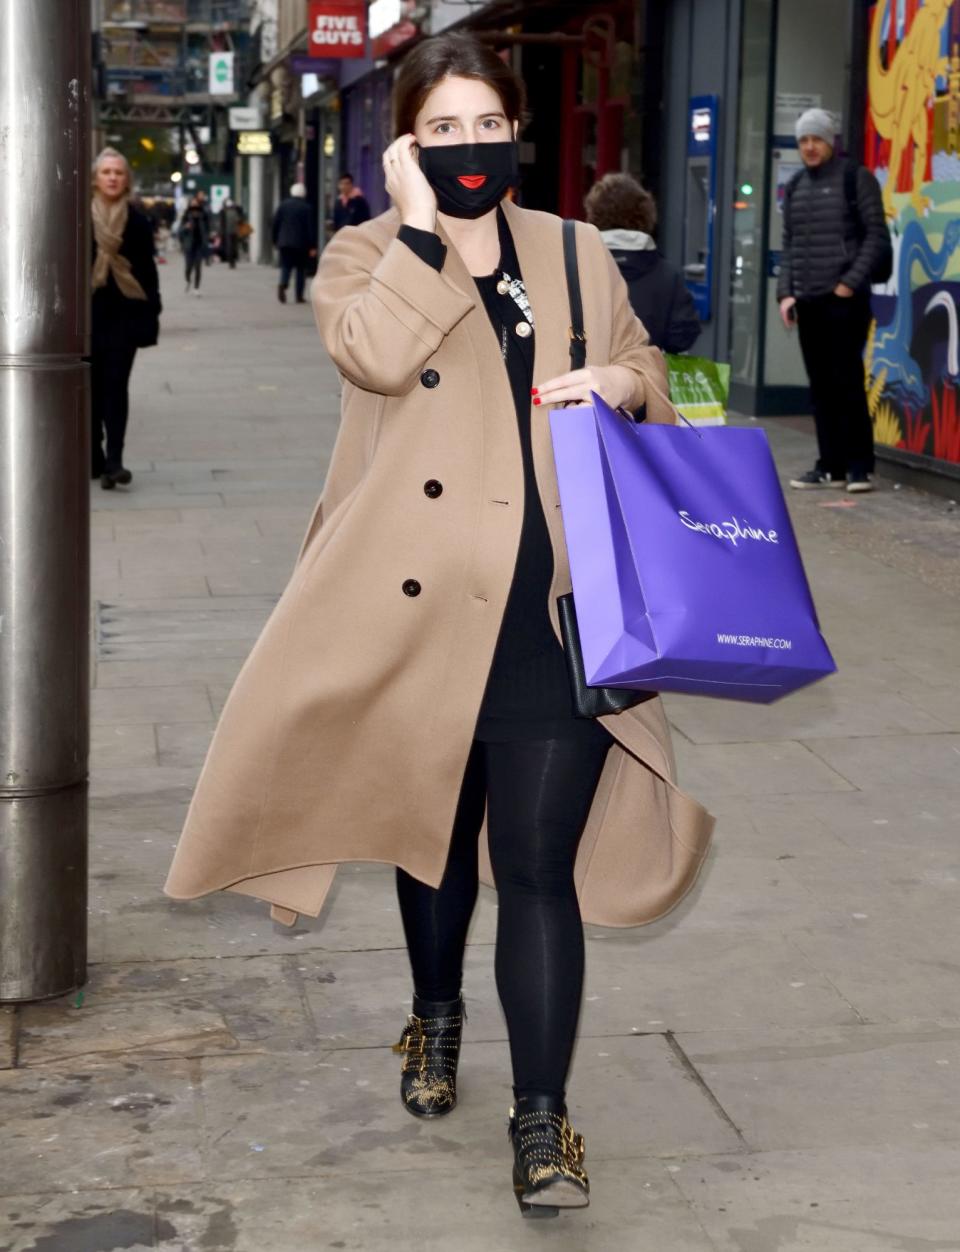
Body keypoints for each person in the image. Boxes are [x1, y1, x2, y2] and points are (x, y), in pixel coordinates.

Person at [164, 33, 712, 1219]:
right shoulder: (365, 253)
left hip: (551, 609)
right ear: (409, 139)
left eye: (487, 124)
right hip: (412, 613)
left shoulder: (573, 251)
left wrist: (624, 386)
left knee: (535, 866)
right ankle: (437, 1014)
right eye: (444, 128)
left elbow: (645, 366)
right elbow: (371, 356)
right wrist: (418, 228)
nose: (471, 147)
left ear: (518, 127)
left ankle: (542, 1120)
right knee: (430, 836)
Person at [778, 107, 890, 493]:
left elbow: (875, 235)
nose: (809, 147)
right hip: (807, 300)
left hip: (845, 300)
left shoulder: (855, 179)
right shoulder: (794, 186)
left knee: (846, 381)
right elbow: (789, 244)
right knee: (820, 386)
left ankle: (860, 466)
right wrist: (786, 293)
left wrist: (848, 283)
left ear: (831, 142)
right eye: (804, 140)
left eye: (817, 139)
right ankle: (830, 466)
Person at [90, 147, 161, 489]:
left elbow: (148, 272)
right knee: (89, 390)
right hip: (85, 317)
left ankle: (115, 461)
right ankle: (93, 453)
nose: (113, 178)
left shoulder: (137, 220)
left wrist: (151, 315)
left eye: (118, 172)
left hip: (124, 316)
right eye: (106, 172)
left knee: (116, 388)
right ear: (95, 179)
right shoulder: (78, 217)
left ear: (126, 180)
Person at [585, 172, 701, 353]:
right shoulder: (668, 275)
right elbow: (682, 338)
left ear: (594, 214)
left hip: (586, 378)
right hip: (644, 377)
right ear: (645, 214)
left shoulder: (576, 266)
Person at [271, 182, 317, 303]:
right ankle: (299, 296)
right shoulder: (306, 207)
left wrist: (275, 240)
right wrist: (312, 246)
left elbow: (275, 224)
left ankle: (283, 284)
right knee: (300, 270)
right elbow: (310, 228)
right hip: (301, 244)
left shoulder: (283, 205)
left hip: (284, 242)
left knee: (286, 266)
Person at [179, 193, 209, 295]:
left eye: (196, 204)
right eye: (193, 204)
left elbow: (207, 229)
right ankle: (188, 280)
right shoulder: (186, 216)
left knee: (198, 267)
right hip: (189, 246)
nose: (194, 207)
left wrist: (208, 238)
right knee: (188, 268)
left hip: (199, 245)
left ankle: (196, 288)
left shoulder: (203, 216)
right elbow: (179, 231)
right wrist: (185, 227)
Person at [219, 197, 242, 268]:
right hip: (229, 232)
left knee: (233, 247)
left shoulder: (235, 210)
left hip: (234, 231)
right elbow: (222, 222)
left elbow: (240, 218)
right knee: (230, 247)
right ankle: (231, 261)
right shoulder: (224, 211)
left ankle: (232, 261)